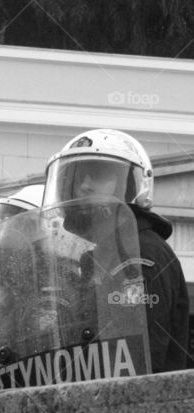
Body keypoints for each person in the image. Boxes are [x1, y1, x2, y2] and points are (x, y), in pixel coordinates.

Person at [43, 128, 189, 372]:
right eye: (78, 176)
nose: (85, 185)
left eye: (99, 175)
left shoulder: (141, 254)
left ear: (131, 187)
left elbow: (141, 358)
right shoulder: (101, 256)